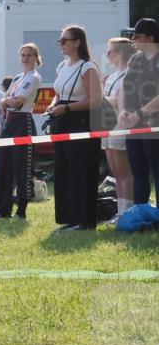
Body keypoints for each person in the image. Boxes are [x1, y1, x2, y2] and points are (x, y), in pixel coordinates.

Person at [46, 25, 102, 231]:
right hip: (62, 121)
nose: (61, 44)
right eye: (59, 40)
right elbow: (59, 93)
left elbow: (96, 100)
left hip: (81, 122)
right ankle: (69, 217)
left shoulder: (87, 67)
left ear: (77, 42)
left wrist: (67, 108)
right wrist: (54, 105)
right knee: (64, 170)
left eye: (64, 40)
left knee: (81, 170)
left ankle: (84, 220)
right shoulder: (62, 67)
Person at [0, 43, 43, 221]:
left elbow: (17, 102)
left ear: (36, 57)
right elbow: (4, 101)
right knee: (2, 167)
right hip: (9, 123)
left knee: (22, 169)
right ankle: (2, 209)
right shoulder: (18, 78)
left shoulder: (34, 77)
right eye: (22, 55)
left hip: (23, 123)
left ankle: (21, 211)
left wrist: (6, 101)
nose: (25, 58)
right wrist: (7, 101)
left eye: (29, 55)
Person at [120, 17, 159, 205]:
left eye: (137, 35)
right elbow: (125, 87)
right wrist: (123, 111)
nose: (133, 39)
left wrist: (140, 113)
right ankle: (141, 213)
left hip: (155, 125)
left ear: (150, 39)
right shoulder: (136, 59)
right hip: (135, 125)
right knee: (138, 171)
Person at [102, 37, 135, 220]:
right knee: (114, 171)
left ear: (120, 53)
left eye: (110, 51)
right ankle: (119, 210)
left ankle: (126, 212)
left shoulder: (130, 74)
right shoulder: (113, 76)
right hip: (108, 125)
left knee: (124, 172)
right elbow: (108, 98)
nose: (107, 55)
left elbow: (120, 100)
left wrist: (101, 99)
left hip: (121, 126)